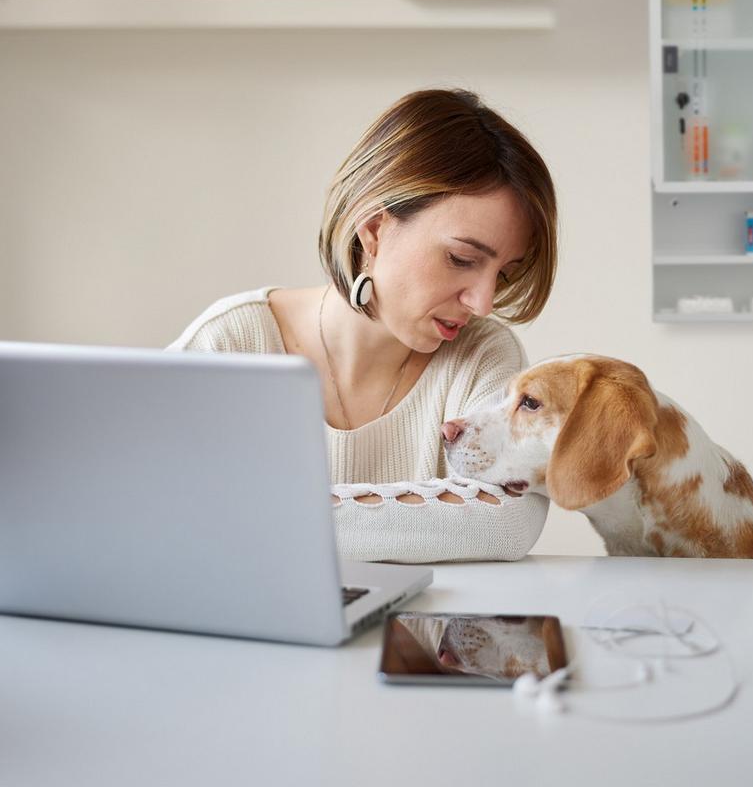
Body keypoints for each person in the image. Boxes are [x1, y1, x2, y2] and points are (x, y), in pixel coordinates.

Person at [168, 89, 558, 562]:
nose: (482, 302)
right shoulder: (232, 344)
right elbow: (139, 505)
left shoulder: (482, 357)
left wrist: (257, 519)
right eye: (461, 259)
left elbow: (507, 522)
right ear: (373, 230)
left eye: (503, 274)